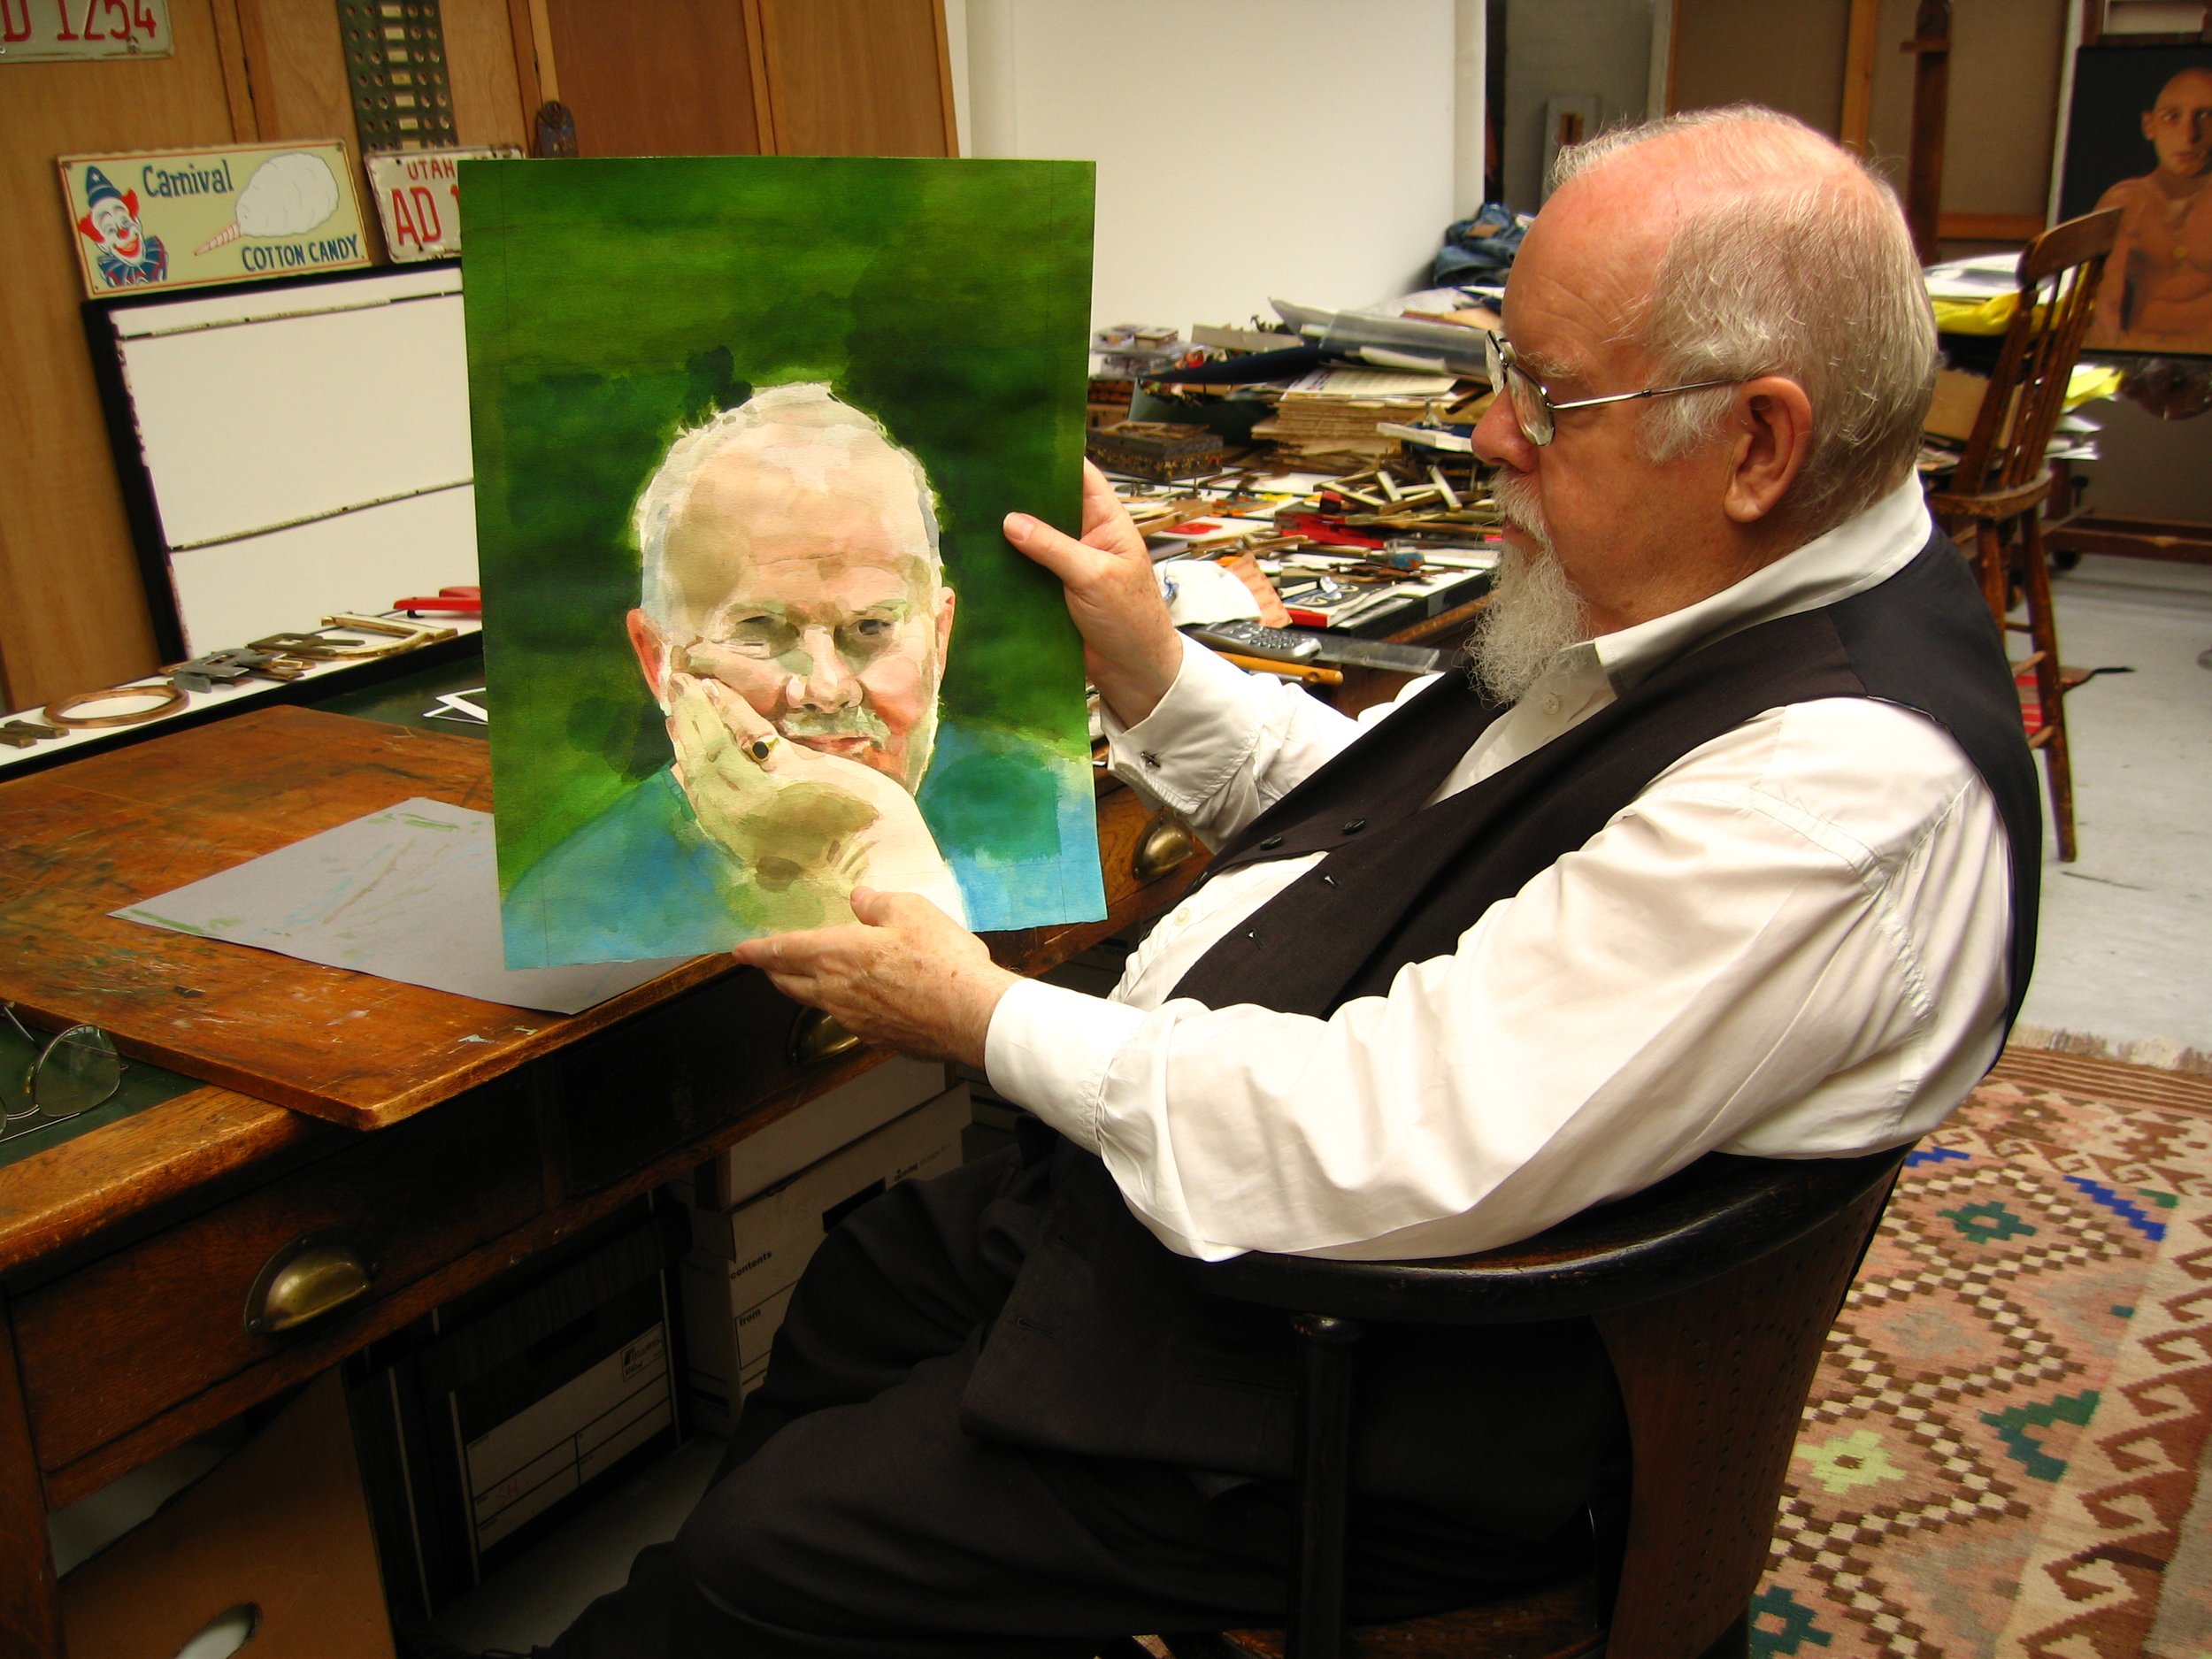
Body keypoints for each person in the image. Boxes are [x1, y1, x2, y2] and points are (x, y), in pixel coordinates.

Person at [548, 106, 2039, 1656]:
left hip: (1400, 1389)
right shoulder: (1694, 593)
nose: (1489, 435)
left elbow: (1381, 1135)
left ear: (1757, 444)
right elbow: (1417, 824)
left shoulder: (1842, 794)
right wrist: (1156, 670)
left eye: (1547, 397)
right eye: (1494, 372)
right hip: (1297, 1264)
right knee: (871, 1281)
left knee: (773, 1552)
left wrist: (981, 1017)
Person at [505, 384, 967, 962]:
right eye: (761, 631)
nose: (826, 688)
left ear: (939, 638)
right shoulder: (575, 914)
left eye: (872, 628)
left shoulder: (1032, 815)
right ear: (660, 659)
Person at [2088, 65, 2212, 349]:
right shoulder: (2125, 203)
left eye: (2205, 116)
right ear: (2149, 126)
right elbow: (2102, 313)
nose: (2189, 135)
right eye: (2172, 118)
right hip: (2134, 367)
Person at [73, 165, 168, 289]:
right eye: (110, 230)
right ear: (102, 244)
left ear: (137, 223)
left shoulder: (160, 256)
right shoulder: (113, 277)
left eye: (125, 221)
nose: (123, 233)